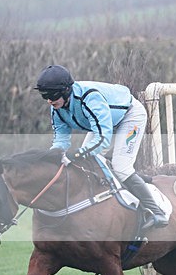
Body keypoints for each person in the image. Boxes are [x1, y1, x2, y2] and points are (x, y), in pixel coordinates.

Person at [34, 64, 168, 228]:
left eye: (52, 95)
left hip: (130, 116)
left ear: (66, 91)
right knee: (86, 164)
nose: (49, 100)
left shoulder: (90, 98)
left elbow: (102, 138)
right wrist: (53, 158)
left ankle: (157, 212)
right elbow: (61, 141)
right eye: (44, 96)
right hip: (105, 124)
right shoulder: (56, 108)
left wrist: (77, 153)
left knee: (121, 167)